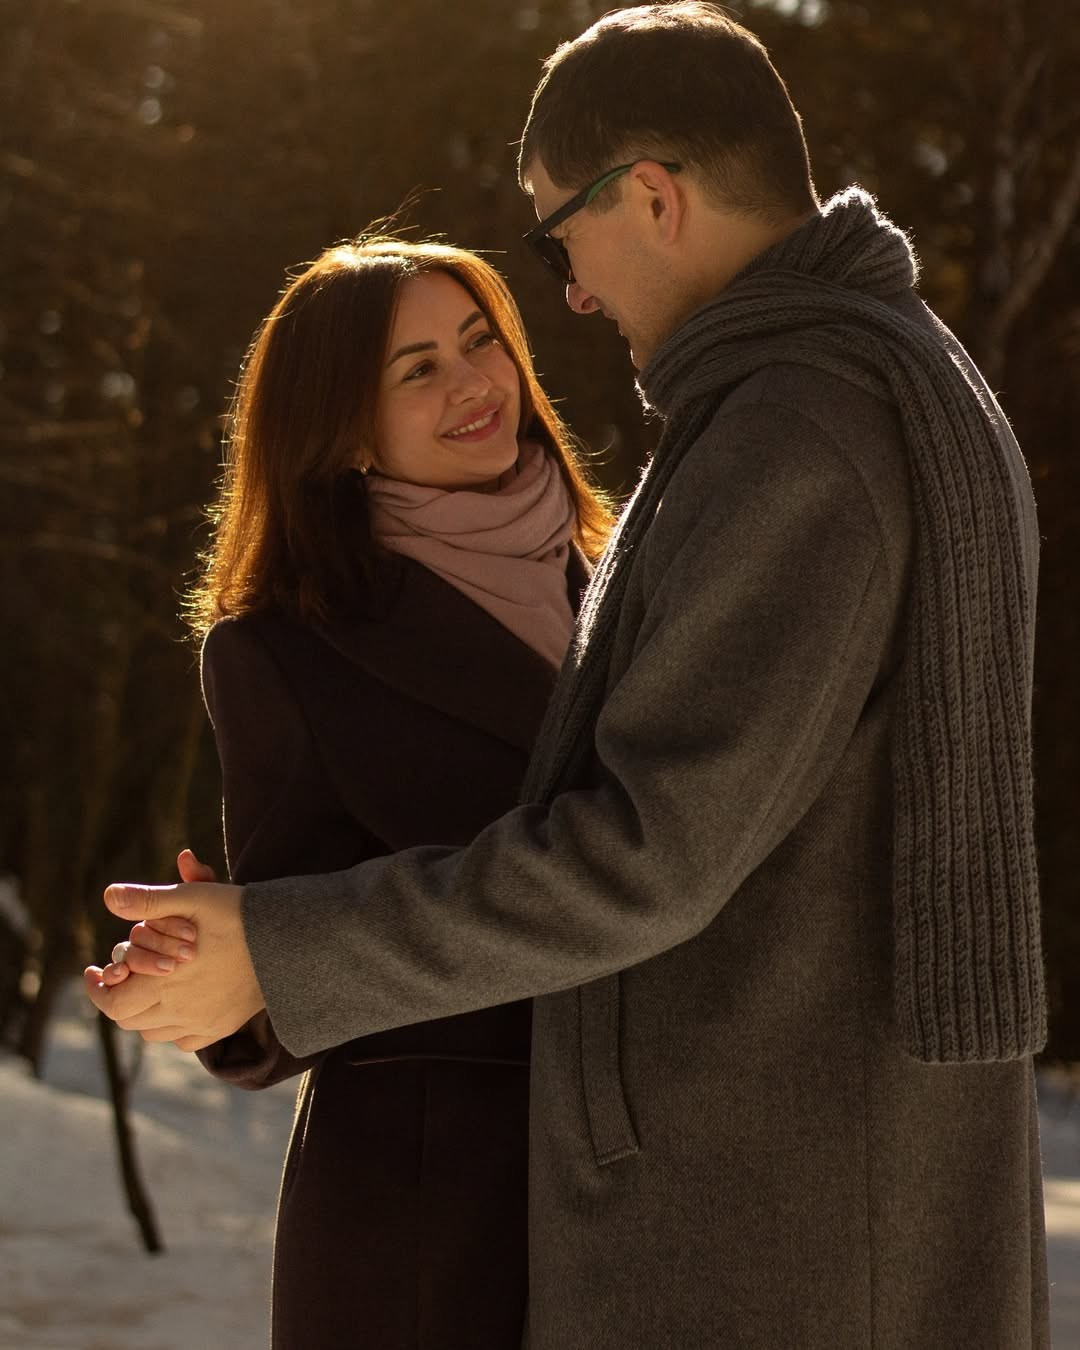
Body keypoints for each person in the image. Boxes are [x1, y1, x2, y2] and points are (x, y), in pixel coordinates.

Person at [87, 5, 1050, 1347]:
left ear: (650, 196)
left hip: (779, 1208)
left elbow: (647, 852)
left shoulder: (791, 438)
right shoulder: (846, 392)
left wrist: (284, 948)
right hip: (611, 1203)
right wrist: (250, 954)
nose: (572, 294)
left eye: (558, 240)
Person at [98, 235, 612, 1349]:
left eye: (481, 342)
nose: (470, 383)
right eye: (414, 369)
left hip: (654, 1178)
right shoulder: (283, 649)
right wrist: (217, 962)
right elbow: (296, 941)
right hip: (437, 1214)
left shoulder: (632, 580)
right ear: (344, 428)